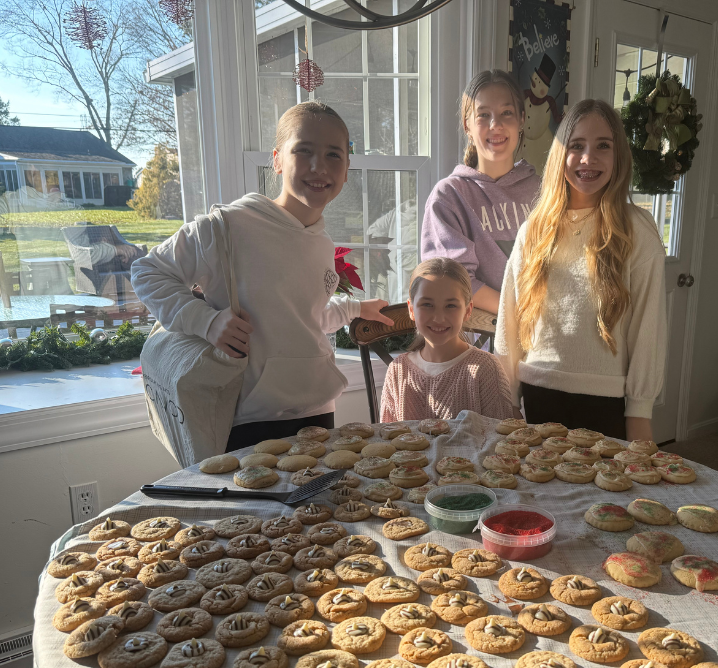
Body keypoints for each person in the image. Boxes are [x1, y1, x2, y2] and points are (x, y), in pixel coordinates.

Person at [131, 100, 392, 452]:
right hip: (245, 420)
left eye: (334, 155)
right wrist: (206, 323)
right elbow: (146, 271)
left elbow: (304, 320)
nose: (319, 166)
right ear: (278, 159)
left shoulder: (321, 241)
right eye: (303, 150)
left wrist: (355, 309)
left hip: (318, 412)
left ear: (346, 170)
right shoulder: (226, 227)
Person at [495, 99, 667, 441]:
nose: (589, 158)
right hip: (539, 394)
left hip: (606, 402)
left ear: (619, 156)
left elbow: (650, 327)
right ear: (561, 153)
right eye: (577, 146)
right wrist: (508, 399)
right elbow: (509, 318)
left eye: (603, 146)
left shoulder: (636, 229)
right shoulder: (535, 229)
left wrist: (640, 411)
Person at [421, 70, 540, 315]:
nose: (495, 125)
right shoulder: (449, 196)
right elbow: (454, 282)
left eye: (506, 113)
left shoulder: (543, 190)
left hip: (543, 342)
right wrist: (524, 315)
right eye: (483, 115)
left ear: (521, 119)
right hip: (480, 346)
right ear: (467, 126)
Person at [379, 257, 513, 422]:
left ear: (467, 310)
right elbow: (387, 439)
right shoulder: (397, 371)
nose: (439, 318)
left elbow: (502, 439)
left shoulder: (486, 368)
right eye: (427, 305)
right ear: (411, 310)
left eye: (451, 306)